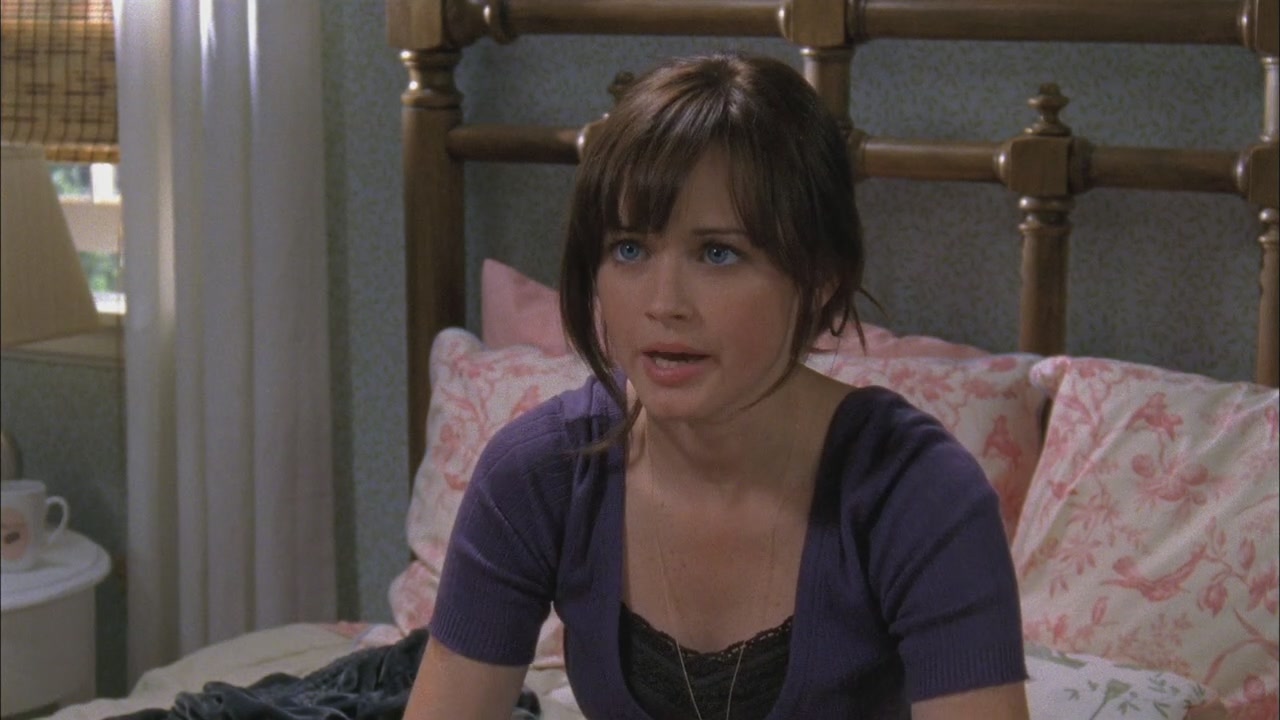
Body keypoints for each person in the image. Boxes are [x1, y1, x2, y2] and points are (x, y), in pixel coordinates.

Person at [405, 52, 1029, 720]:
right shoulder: (538, 477)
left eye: (718, 253)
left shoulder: (918, 495)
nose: (663, 304)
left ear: (820, 282)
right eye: (629, 249)